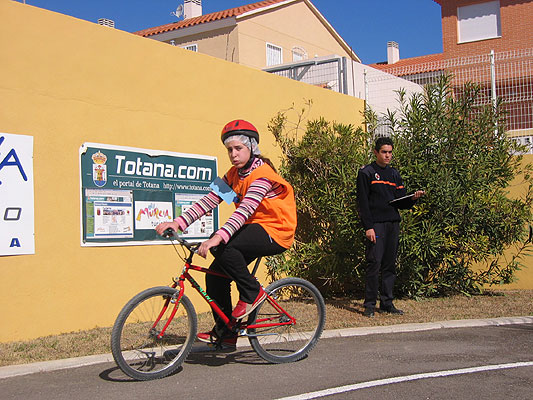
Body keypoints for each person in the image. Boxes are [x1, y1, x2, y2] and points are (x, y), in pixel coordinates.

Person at [155, 119, 297, 347]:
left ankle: (252, 291)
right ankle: (227, 331)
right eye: (229, 150)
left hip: (276, 230)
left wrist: (218, 236)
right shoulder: (233, 175)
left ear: (251, 147)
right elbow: (209, 201)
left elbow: (245, 209)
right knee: (214, 276)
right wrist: (178, 223)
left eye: (238, 148)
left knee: (222, 245)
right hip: (253, 229)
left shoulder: (262, 173)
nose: (233, 154)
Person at [356, 137, 424, 318]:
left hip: (392, 224)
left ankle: (387, 303)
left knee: (389, 265)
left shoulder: (394, 174)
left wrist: (413, 198)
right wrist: (368, 227)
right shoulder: (366, 173)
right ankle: (370, 305)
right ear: (376, 152)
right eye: (384, 152)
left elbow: (401, 201)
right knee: (374, 263)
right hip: (376, 225)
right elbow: (362, 204)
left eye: (390, 152)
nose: (387, 156)